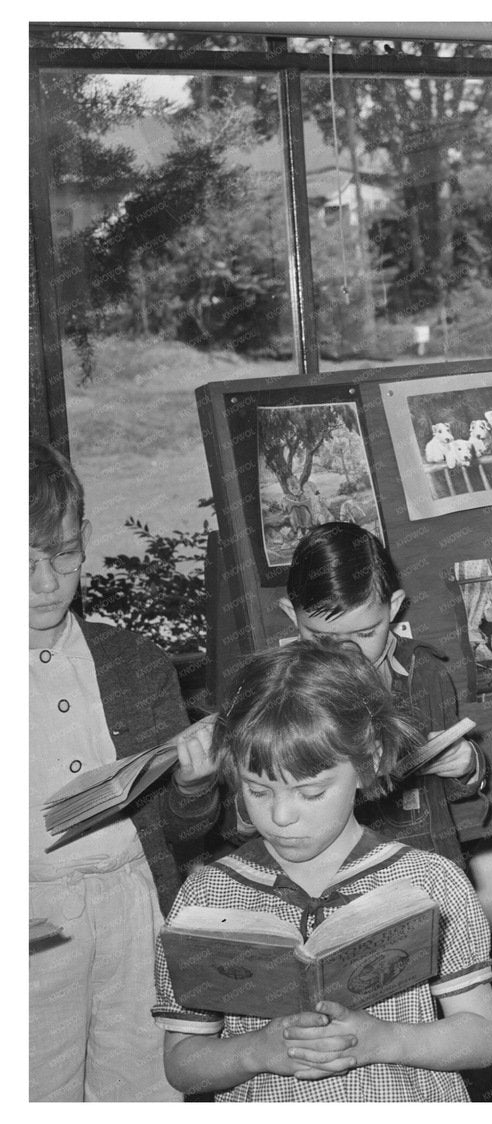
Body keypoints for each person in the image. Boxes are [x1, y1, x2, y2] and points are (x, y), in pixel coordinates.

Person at [151, 641, 492, 1101]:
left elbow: (483, 1038)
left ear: (369, 762)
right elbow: (182, 1064)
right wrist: (256, 1052)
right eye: (258, 790)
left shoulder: (430, 881)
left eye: (311, 793)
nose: (281, 816)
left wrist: (381, 1040)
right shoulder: (206, 896)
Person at [29, 440, 221, 1102]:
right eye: (20, 562)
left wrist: (195, 786)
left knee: (145, 1088)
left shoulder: (134, 662)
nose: (46, 583)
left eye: (60, 554)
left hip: (135, 906)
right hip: (29, 924)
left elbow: (179, 830)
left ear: (83, 538)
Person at [280, 522, 487, 863]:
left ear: (393, 608)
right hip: (338, 877)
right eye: (321, 639)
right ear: (292, 614)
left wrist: (467, 763)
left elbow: (445, 787)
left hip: (427, 865)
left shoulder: (424, 672)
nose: (348, 653)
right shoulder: (280, 690)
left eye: (364, 634)